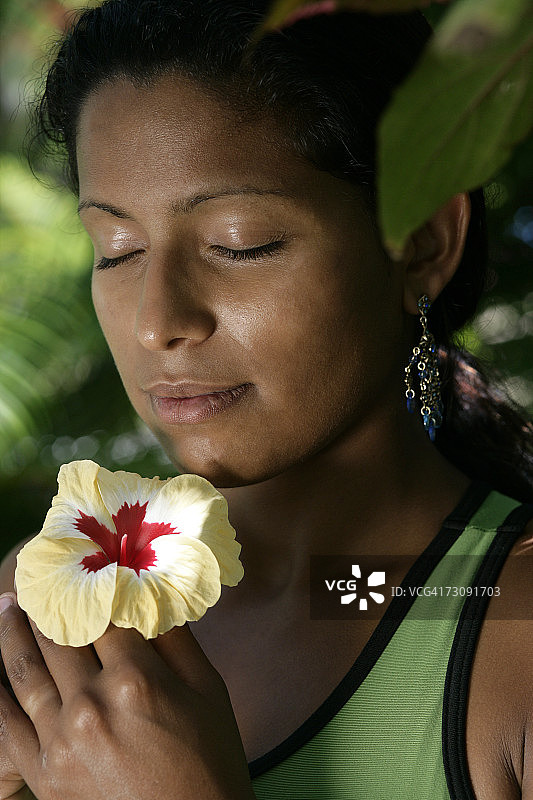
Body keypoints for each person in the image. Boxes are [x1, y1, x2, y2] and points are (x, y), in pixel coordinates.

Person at [0, 1, 532, 798]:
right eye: (118, 251)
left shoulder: (509, 623)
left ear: (421, 243)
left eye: (238, 242)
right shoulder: (54, 606)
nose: (157, 323)